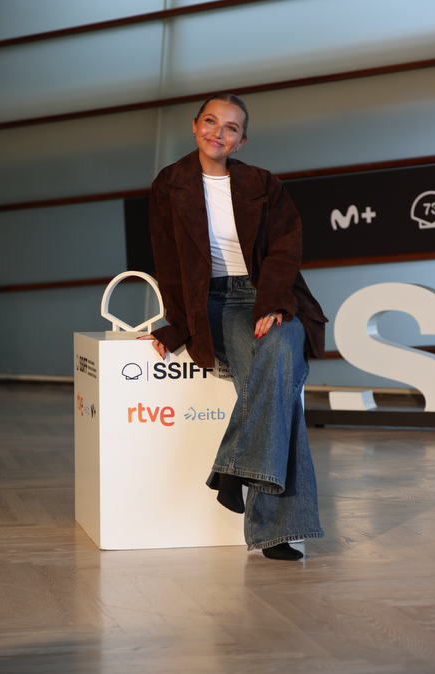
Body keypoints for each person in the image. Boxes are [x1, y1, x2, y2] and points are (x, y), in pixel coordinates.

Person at [139, 93, 327, 561]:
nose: (217, 133)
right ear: (195, 125)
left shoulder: (262, 183)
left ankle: (232, 467)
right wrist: (177, 325)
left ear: (241, 141)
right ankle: (277, 532)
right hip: (213, 303)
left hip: (266, 296)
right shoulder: (170, 183)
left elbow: (286, 245)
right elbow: (167, 260)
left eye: (230, 127)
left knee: (281, 352)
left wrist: (273, 301)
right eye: (210, 121)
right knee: (280, 392)